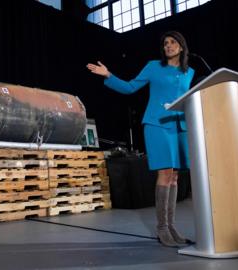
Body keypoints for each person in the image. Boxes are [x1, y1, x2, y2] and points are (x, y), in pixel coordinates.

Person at [87, 31, 195, 247]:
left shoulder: (189, 72)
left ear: (181, 47)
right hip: (157, 124)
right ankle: (162, 228)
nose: (168, 46)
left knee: (174, 176)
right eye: (165, 43)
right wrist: (108, 75)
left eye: (173, 42)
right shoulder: (154, 66)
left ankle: (172, 226)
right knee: (164, 173)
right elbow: (130, 87)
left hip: (179, 126)